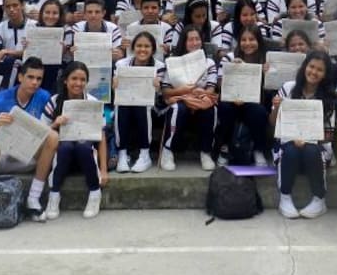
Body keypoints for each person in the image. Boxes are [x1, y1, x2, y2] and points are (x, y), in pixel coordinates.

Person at [0, 57, 58, 221]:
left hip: (30, 155)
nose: (35, 82)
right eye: (30, 77)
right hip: (2, 156)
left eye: (39, 79)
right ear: (20, 77)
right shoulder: (0, 97)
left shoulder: (44, 96)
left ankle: (33, 198)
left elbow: (49, 129)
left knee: (53, 136)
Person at [272, 49, 334, 219]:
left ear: (325, 75)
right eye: (311, 66)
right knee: (290, 149)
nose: (313, 72)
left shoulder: (328, 97)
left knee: (311, 150)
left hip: (316, 147)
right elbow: (272, 124)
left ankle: (319, 199)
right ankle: (285, 197)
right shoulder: (288, 88)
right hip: (288, 143)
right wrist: (277, 107)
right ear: (305, 66)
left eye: (319, 70)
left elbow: (329, 135)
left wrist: (308, 139)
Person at [43, 62, 110, 219]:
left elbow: (101, 137)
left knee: (82, 145)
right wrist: (55, 124)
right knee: (65, 146)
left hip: (85, 155)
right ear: (65, 80)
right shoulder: (54, 101)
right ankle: (54, 195)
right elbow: (41, 133)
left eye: (82, 79)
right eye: (74, 78)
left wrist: (104, 169)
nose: (78, 83)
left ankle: (94, 192)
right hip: (62, 157)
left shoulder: (93, 102)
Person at [160, 25, 219, 171]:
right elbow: (166, 91)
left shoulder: (209, 62)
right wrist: (183, 91)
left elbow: (210, 90)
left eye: (197, 39)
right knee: (176, 109)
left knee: (211, 110)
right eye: (190, 40)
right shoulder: (173, 61)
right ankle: (168, 150)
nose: (194, 43)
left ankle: (205, 152)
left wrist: (200, 92)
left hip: (200, 99)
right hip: (180, 98)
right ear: (184, 42)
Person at [215, 25, 271, 165]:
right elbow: (220, 86)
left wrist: (266, 75)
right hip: (231, 100)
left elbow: (269, 89)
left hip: (254, 101)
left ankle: (259, 150)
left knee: (259, 112)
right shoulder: (229, 57)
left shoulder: (265, 60)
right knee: (225, 108)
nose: (247, 43)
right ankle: (225, 147)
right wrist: (232, 71)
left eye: (252, 39)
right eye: (243, 40)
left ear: (259, 41)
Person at [113, 31, 163, 173]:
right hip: (127, 103)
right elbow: (117, 91)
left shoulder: (159, 66)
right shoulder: (121, 64)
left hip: (152, 106)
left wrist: (157, 87)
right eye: (139, 46)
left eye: (147, 46)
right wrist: (114, 84)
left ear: (153, 49)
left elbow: (162, 95)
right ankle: (123, 153)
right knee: (120, 105)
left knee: (142, 106)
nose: (142, 49)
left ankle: (144, 153)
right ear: (133, 48)